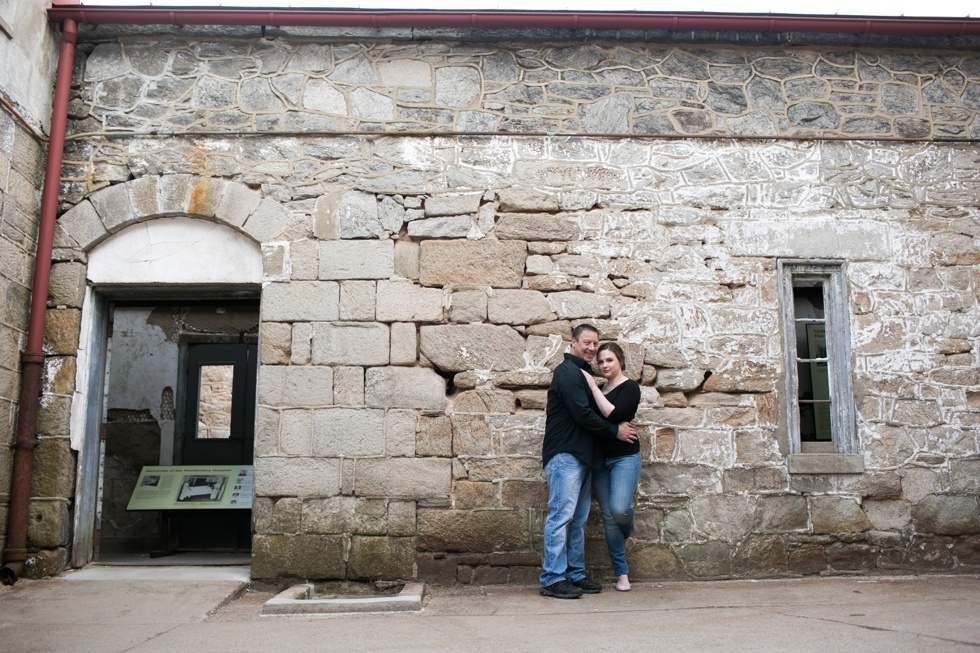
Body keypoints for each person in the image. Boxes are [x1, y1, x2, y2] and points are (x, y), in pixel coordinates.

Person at [540, 324, 637, 599]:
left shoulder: (584, 374)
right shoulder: (568, 372)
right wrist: (615, 431)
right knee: (561, 516)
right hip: (566, 455)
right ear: (573, 342)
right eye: (587, 343)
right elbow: (582, 414)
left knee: (577, 519)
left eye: (596, 344)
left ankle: (574, 574)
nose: (592, 348)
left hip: (582, 457)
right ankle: (551, 579)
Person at [581, 342, 642, 592]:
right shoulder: (603, 389)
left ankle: (626, 532)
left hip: (624, 458)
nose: (604, 365)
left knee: (619, 510)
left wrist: (593, 387)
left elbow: (612, 415)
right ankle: (622, 575)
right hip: (600, 461)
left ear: (621, 362)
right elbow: (590, 421)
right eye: (601, 362)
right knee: (608, 518)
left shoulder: (630, 388)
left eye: (609, 361)